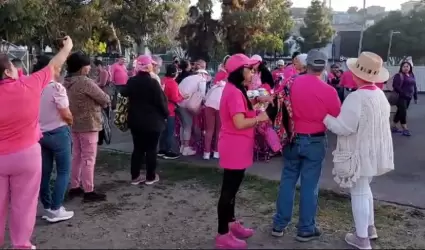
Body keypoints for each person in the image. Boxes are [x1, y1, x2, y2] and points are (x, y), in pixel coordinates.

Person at [0, 36, 72, 249]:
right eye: (13, 65)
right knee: (24, 204)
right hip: (27, 156)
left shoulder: (26, 82)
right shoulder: (29, 85)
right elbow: (54, 65)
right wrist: (67, 47)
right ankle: (21, 244)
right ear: (7, 71)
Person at [323, 52, 394, 250]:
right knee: (365, 188)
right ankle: (369, 228)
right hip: (374, 150)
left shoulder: (356, 97)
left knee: (359, 191)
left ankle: (361, 237)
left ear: (358, 75)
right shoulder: (380, 95)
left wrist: (326, 118)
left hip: (359, 152)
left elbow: (344, 127)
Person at [272, 50, 341, 241]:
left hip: (292, 138)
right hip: (315, 140)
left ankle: (279, 224)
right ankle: (305, 228)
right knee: (310, 185)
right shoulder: (329, 90)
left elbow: (278, 101)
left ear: (306, 65)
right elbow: (336, 114)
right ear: (324, 66)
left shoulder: (291, 82)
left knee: (288, 180)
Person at [215, 54, 270, 249]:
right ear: (240, 71)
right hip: (234, 145)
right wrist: (260, 118)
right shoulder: (234, 92)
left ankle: (231, 224)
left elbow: (242, 112)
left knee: (233, 190)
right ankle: (223, 234)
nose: (252, 73)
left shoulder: (237, 89)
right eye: (250, 69)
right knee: (228, 191)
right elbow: (239, 122)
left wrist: (256, 105)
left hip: (238, 144)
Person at [64, 52, 111, 202]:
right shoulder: (85, 82)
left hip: (73, 123)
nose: (89, 67)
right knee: (88, 158)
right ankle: (89, 190)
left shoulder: (66, 81)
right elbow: (105, 98)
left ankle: (75, 186)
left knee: (77, 156)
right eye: (87, 65)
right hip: (89, 124)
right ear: (81, 67)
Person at [36, 55, 74, 223]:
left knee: (44, 172)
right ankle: (56, 208)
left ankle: (47, 205)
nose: (60, 70)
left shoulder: (33, 87)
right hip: (58, 132)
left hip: (40, 134)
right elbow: (65, 113)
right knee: (63, 171)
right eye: (58, 67)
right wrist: (71, 121)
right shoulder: (56, 88)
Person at [122, 55, 168, 185]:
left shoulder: (132, 81)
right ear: (149, 67)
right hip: (153, 122)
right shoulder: (153, 82)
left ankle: (135, 176)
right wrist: (165, 114)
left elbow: (124, 93)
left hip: (136, 121)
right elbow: (161, 101)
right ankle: (150, 176)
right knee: (151, 149)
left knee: (138, 149)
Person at [177, 69, 209, 155]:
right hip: (186, 104)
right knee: (188, 126)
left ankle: (182, 146)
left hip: (178, 103)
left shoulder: (188, 78)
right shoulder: (202, 80)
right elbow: (202, 94)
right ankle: (186, 149)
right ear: (203, 74)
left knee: (183, 126)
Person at [158, 64, 183, 160]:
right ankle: (169, 151)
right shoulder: (173, 83)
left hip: (162, 108)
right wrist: (183, 97)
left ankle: (162, 149)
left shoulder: (163, 80)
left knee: (163, 131)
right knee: (169, 131)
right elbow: (175, 98)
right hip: (170, 110)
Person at [391, 61, 417, 136]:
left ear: (410, 67)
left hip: (409, 97)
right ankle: (405, 128)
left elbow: (414, 86)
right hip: (401, 97)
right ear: (401, 68)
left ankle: (393, 126)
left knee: (400, 112)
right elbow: (395, 85)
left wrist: (415, 97)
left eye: (407, 66)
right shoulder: (398, 75)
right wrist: (403, 93)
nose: (406, 68)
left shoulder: (411, 75)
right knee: (403, 112)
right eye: (404, 66)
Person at [203, 76, 226, 160]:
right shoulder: (227, 89)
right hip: (221, 108)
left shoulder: (214, 87)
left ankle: (206, 153)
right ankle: (216, 152)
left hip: (209, 106)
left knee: (209, 131)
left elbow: (206, 98)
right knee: (219, 131)